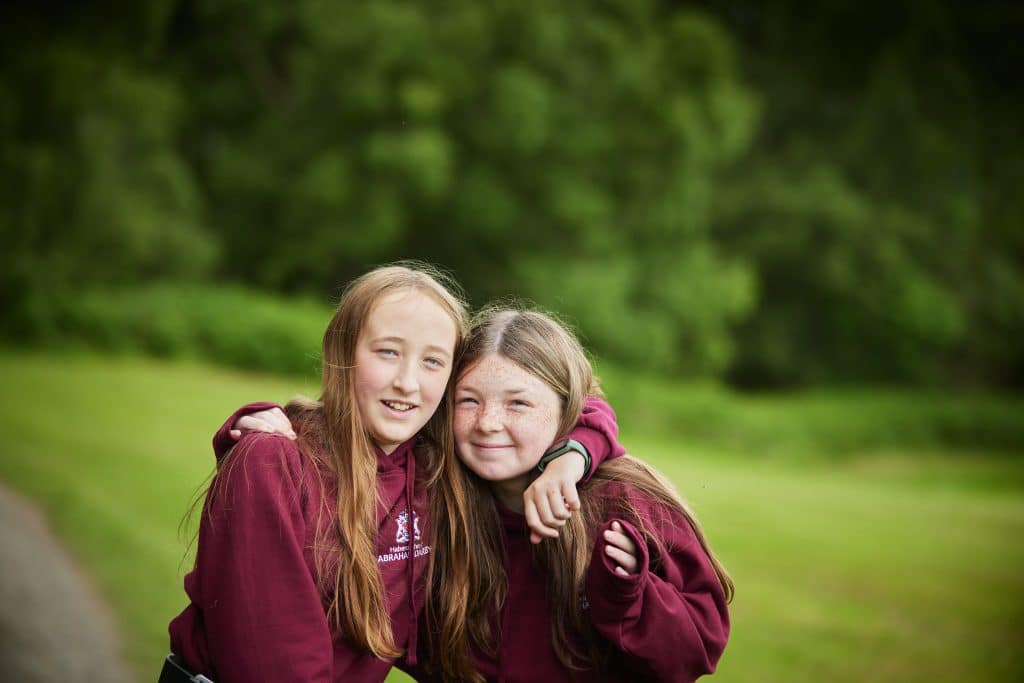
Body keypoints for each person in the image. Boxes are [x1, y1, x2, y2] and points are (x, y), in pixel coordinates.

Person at [163, 264, 623, 683]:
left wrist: (570, 459)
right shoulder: (275, 462)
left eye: (432, 362)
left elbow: (579, 402)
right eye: (387, 352)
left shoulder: (434, 467)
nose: (407, 382)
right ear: (343, 351)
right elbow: (274, 662)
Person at [418, 306, 733, 682]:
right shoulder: (438, 494)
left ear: (569, 409)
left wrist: (630, 596)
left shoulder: (625, 501)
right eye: (468, 400)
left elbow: (697, 648)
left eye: (518, 403)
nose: (487, 423)